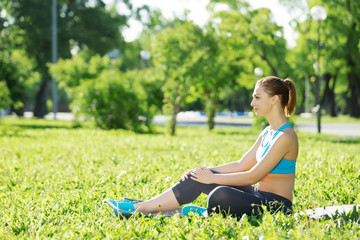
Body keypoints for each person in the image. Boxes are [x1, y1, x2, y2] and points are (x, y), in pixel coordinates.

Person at [107, 76, 298, 218]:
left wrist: (212, 177)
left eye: (257, 98)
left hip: (275, 206)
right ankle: (146, 207)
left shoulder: (285, 136)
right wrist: (204, 173)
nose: (252, 103)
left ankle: (157, 210)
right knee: (198, 176)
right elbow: (241, 164)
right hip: (257, 196)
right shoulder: (267, 132)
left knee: (219, 195)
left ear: (274, 99)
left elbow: (252, 176)